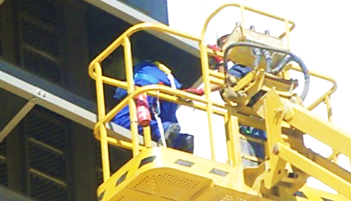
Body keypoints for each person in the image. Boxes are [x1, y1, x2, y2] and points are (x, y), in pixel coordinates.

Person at [182, 35, 267, 168]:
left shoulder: (244, 66)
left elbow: (225, 82)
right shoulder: (261, 66)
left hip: (254, 124)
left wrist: (202, 90)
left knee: (250, 161)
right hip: (260, 122)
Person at [105, 57, 195, 153]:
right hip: (170, 96)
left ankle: (171, 134)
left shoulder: (137, 72)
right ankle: (182, 141)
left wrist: (119, 93)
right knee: (168, 128)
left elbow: (123, 90)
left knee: (122, 120)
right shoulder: (157, 69)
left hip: (148, 88)